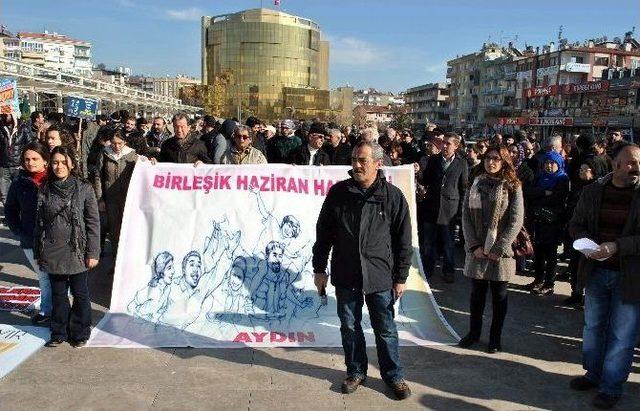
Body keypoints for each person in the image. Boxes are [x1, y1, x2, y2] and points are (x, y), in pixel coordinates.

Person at [312, 140, 413, 400]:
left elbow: (404, 240)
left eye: (363, 160)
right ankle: (355, 371)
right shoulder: (339, 193)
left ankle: (393, 375)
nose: (356, 165)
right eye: (354, 159)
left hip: (380, 275)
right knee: (349, 326)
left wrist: (401, 277)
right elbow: (323, 234)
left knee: (385, 328)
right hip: (346, 273)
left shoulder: (392, 197)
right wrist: (319, 268)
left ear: (378, 164)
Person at [568, 144, 640, 409]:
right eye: (631, 162)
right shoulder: (593, 192)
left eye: (638, 163)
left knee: (623, 335)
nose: (636, 168)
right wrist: (585, 245)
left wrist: (618, 246)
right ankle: (593, 374)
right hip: (596, 272)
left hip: (630, 277)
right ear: (615, 164)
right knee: (594, 328)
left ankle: (611, 387)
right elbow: (575, 225)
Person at [458, 145, 524, 353]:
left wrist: (499, 247)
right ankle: (473, 333)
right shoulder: (474, 183)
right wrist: (474, 245)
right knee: (477, 295)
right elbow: (466, 217)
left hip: (500, 253)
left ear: (504, 162)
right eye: (488, 158)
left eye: (496, 158)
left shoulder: (513, 186)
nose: (491, 162)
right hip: (477, 249)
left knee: (499, 296)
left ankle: (495, 338)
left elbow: (516, 220)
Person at [35, 146, 100, 348]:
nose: (59, 166)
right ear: (49, 164)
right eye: (55, 162)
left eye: (63, 162)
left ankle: (80, 331)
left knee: (80, 293)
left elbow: (93, 223)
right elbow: (39, 223)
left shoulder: (84, 188)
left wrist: (93, 252)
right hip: (53, 250)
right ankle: (59, 331)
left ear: (72, 163)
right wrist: (39, 251)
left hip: (78, 249)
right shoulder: (44, 188)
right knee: (58, 294)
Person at [5, 142, 51, 324]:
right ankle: (47, 311)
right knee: (44, 276)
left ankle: (59, 310)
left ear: (45, 161)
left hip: (55, 238)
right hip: (30, 238)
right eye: (27, 159)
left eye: (35, 159)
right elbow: (10, 209)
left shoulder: (55, 179)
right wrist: (18, 230)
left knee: (57, 277)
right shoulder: (19, 183)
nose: (31, 163)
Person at [419, 132, 469, 282]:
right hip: (431, 207)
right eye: (443, 143)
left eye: (448, 143)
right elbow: (425, 179)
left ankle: (449, 270)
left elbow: (463, 188)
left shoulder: (461, 163)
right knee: (428, 243)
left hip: (449, 210)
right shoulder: (433, 160)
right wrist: (418, 171)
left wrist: (461, 211)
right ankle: (428, 269)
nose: (445, 146)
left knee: (448, 243)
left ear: (456, 146)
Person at [527, 151, 569, 295]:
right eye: (546, 163)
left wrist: (540, 196)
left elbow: (557, 198)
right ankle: (538, 279)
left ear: (558, 164)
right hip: (538, 221)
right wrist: (545, 192)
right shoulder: (539, 177)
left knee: (550, 255)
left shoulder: (562, 179)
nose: (549, 166)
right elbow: (529, 193)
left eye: (552, 163)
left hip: (553, 222)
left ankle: (549, 283)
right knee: (538, 253)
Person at [92, 130, 138, 253]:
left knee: (127, 230)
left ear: (125, 142)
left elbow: (143, 170)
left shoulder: (132, 155)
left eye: (120, 143)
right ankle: (115, 260)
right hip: (110, 199)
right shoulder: (105, 153)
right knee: (114, 231)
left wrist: (151, 163)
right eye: (113, 143)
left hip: (127, 199)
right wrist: (100, 198)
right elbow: (98, 176)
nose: (116, 146)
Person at [0, 112, 25, 205]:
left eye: (7, 115)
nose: (5, 117)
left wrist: (24, 163)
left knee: (20, 192)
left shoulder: (22, 127)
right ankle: (8, 216)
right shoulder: (1, 127)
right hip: (3, 165)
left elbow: (29, 145)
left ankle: (19, 214)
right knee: (4, 194)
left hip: (18, 166)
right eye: (3, 115)